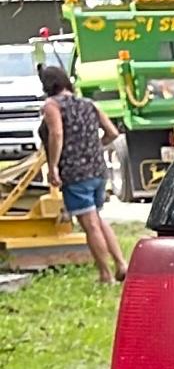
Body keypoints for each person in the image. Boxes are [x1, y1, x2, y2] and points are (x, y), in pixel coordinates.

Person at [37, 64, 124, 285]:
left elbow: (56, 133)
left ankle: (105, 275)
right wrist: (96, 146)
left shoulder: (52, 105)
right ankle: (121, 263)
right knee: (99, 219)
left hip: (75, 173)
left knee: (90, 225)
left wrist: (54, 165)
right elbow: (112, 132)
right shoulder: (89, 104)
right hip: (97, 170)